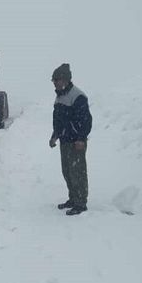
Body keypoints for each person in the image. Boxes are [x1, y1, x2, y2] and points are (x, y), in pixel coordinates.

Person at [48, 63, 92, 216]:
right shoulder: (59, 97)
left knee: (77, 172)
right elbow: (58, 120)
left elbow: (85, 120)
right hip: (64, 141)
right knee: (67, 171)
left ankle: (81, 203)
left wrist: (81, 138)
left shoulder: (78, 96)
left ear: (65, 80)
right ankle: (73, 198)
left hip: (76, 142)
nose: (54, 82)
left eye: (56, 80)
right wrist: (55, 135)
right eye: (53, 80)